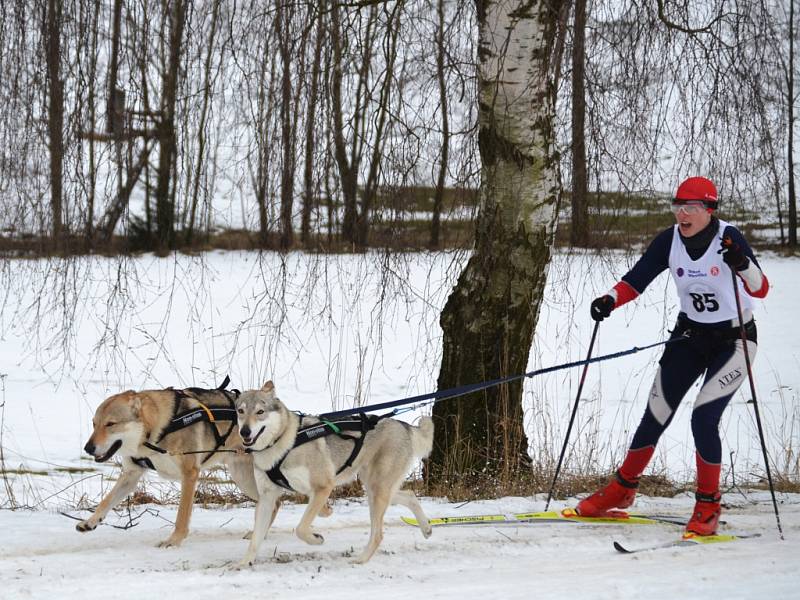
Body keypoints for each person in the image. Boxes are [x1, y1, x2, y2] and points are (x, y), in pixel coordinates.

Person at [575, 176, 769, 536]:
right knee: (656, 412)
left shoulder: (729, 238)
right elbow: (637, 278)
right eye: (678, 206)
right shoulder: (670, 240)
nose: (682, 214)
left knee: (703, 419)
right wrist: (610, 300)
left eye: (691, 208)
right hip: (689, 336)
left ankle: (708, 504)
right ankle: (622, 488)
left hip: (735, 341)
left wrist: (741, 262)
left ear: (709, 211)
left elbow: (761, 287)